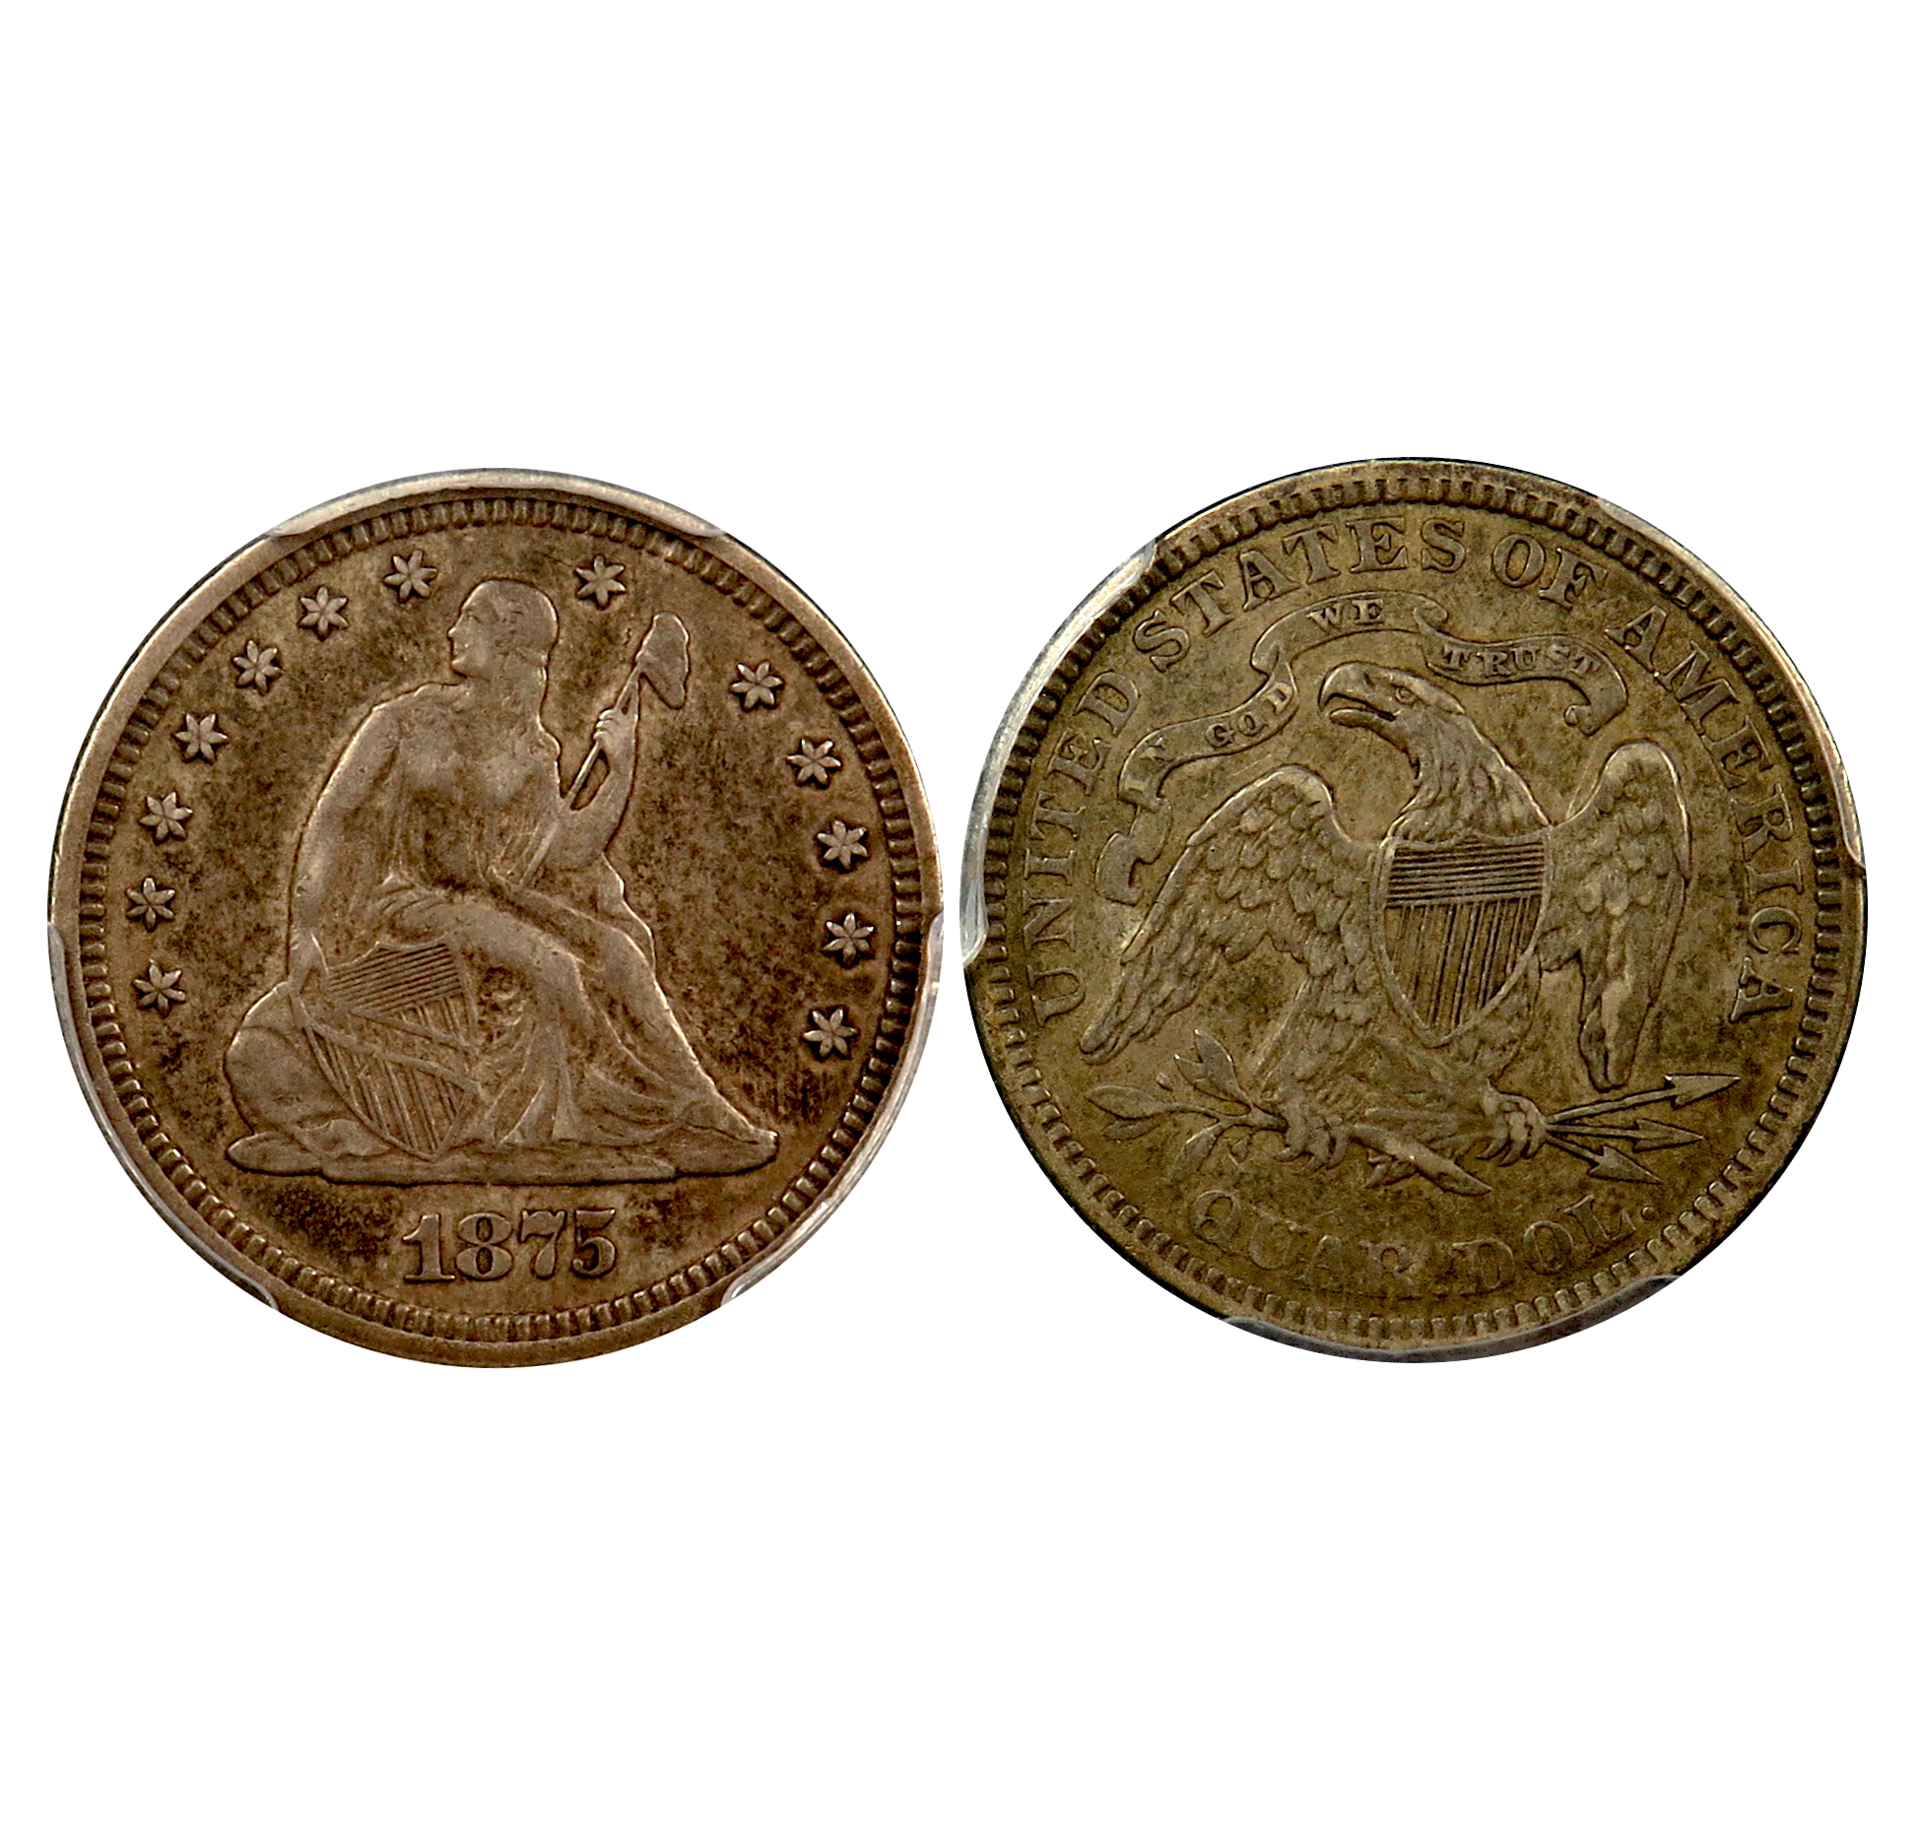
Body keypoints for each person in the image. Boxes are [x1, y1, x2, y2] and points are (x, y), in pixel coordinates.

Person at [226, 578, 777, 1183]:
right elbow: (333, 817)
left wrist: (621, 765)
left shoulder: (534, 748)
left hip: (492, 900)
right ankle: (626, 1111)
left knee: (619, 953)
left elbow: (569, 849)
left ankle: (705, 1106)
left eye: (472, 621)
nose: (453, 633)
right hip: (408, 903)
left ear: (511, 645)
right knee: (554, 967)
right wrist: (303, 930)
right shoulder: (403, 721)